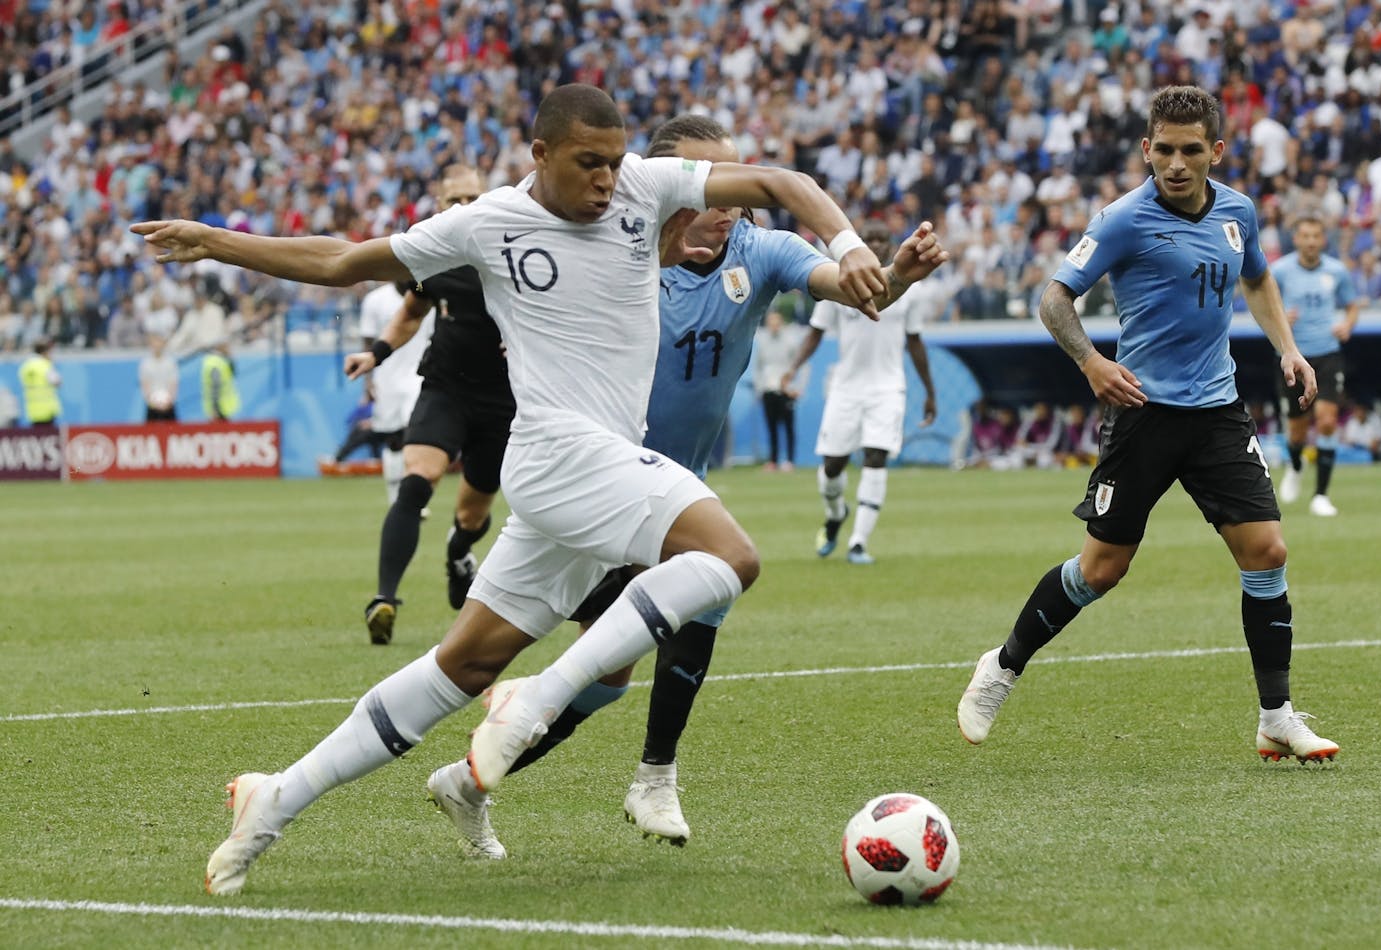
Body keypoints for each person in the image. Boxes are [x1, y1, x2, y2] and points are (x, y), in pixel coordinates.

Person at [134, 83, 899, 896]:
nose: (606, 180)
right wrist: (220, 240)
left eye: (613, 162)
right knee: (730, 559)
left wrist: (848, 242)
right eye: (587, 163)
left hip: (590, 470)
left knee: (461, 665)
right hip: (553, 453)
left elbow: (782, 183)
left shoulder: (647, 185)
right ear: (540, 155)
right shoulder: (487, 223)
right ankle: (539, 696)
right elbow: (343, 260)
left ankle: (274, 798)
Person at [463, 115, 946, 850]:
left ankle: (649, 775)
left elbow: (846, 287)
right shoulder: (614, 249)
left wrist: (900, 271)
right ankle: (469, 777)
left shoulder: (762, 251)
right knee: (508, 663)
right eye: (704, 183)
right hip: (591, 482)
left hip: (673, 491)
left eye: (730, 182)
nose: (723, 201)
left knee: (694, 609)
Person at [954, 86, 1339, 766]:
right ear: (1146, 149)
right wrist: (1091, 362)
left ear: (1216, 151)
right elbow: (1054, 297)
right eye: (1164, 150)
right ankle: (1003, 665)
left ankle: (1276, 715)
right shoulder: (1123, 219)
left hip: (1217, 411)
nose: (1177, 163)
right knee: (1102, 570)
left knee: (1267, 552)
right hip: (1142, 412)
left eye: (1192, 150)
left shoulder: (1239, 213)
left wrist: (1287, 347)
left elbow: (1256, 280)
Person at [343, 164, 511, 644]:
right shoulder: (431, 258)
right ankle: (384, 600)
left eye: (471, 198)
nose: (463, 208)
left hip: (503, 401)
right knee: (417, 480)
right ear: (439, 207)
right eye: (453, 200)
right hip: (445, 388)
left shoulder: (514, 249)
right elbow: (411, 314)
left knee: (472, 515)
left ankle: (459, 554)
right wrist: (374, 354)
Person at [780, 220, 938, 565]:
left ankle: (858, 543)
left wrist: (929, 391)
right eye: (872, 238)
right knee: (833, 466)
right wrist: (793, 368)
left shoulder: (909, 289)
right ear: (861, 244)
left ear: (891, 243)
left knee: (876, 457)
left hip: (888, 387)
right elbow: (815, 333)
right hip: (846, 387)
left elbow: (915, 343)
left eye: (884, 237)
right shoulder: (841, 280)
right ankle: (836, 514)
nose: (879, 244)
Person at [1270, 216, 1359, 517]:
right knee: (1297, 432)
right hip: (1294, 356)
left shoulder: (1336, 271)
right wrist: (1281, 318)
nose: (1310, 241)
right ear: (1296, 239)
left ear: (1323, 240)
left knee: (1327, 421)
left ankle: (1321, 495)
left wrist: (1347, 324)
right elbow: (1264, 303)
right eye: (1305, 236)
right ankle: (1295, 466)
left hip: (1328, 353)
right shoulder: (1280, 270)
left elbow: (1352, 304)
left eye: (1315, 236)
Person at [354, 279, 432, 506]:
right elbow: (367, 342)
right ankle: (396, 501)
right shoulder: (375, 300)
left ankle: (414, 498)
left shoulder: (427, 294)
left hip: (420, 375)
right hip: (386, 378)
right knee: (394, 440)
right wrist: (367, 381)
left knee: (415, 434)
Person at [752, 309, 805, 471]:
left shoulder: (790, 342)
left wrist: (797, 388)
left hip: (786, 390)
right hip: (769, 389)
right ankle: (773, 460)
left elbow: (801, 366)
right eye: (771, 322)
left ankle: (789, 460)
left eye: (776, 322)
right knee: (772, 427)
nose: (774, 325)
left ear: (781, 323)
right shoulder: (763, 343)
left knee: (788, 427)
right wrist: (760, 388)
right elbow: (758, 367)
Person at [18, 337, 61, 426]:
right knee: (49, 436)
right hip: (47, 409)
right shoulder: (45, 365)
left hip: (32, 409)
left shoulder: (26, 365)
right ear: (45, 352)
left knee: (38, 435)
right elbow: (57, 382)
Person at [138, 333, 179, 422]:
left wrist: (168, 401)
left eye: (159, 342)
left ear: (163, 344)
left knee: (174, 431)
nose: (157, 345)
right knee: (150, 433)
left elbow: (173, 383)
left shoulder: (170, 362)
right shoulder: (146, 364)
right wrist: (152, 402)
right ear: (151, 344)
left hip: (168, 404)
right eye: (154, 342)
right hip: (152, 405)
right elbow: (145, 385)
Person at [200, 340, 240, 421]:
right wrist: (215, 408)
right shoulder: (215, 363)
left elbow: (233, 373)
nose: (228, 348)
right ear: (219, 346)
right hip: (219, 408)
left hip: (223, 407)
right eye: (226, 345)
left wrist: (230, 357)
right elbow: (215, 386)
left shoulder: (221, 360)